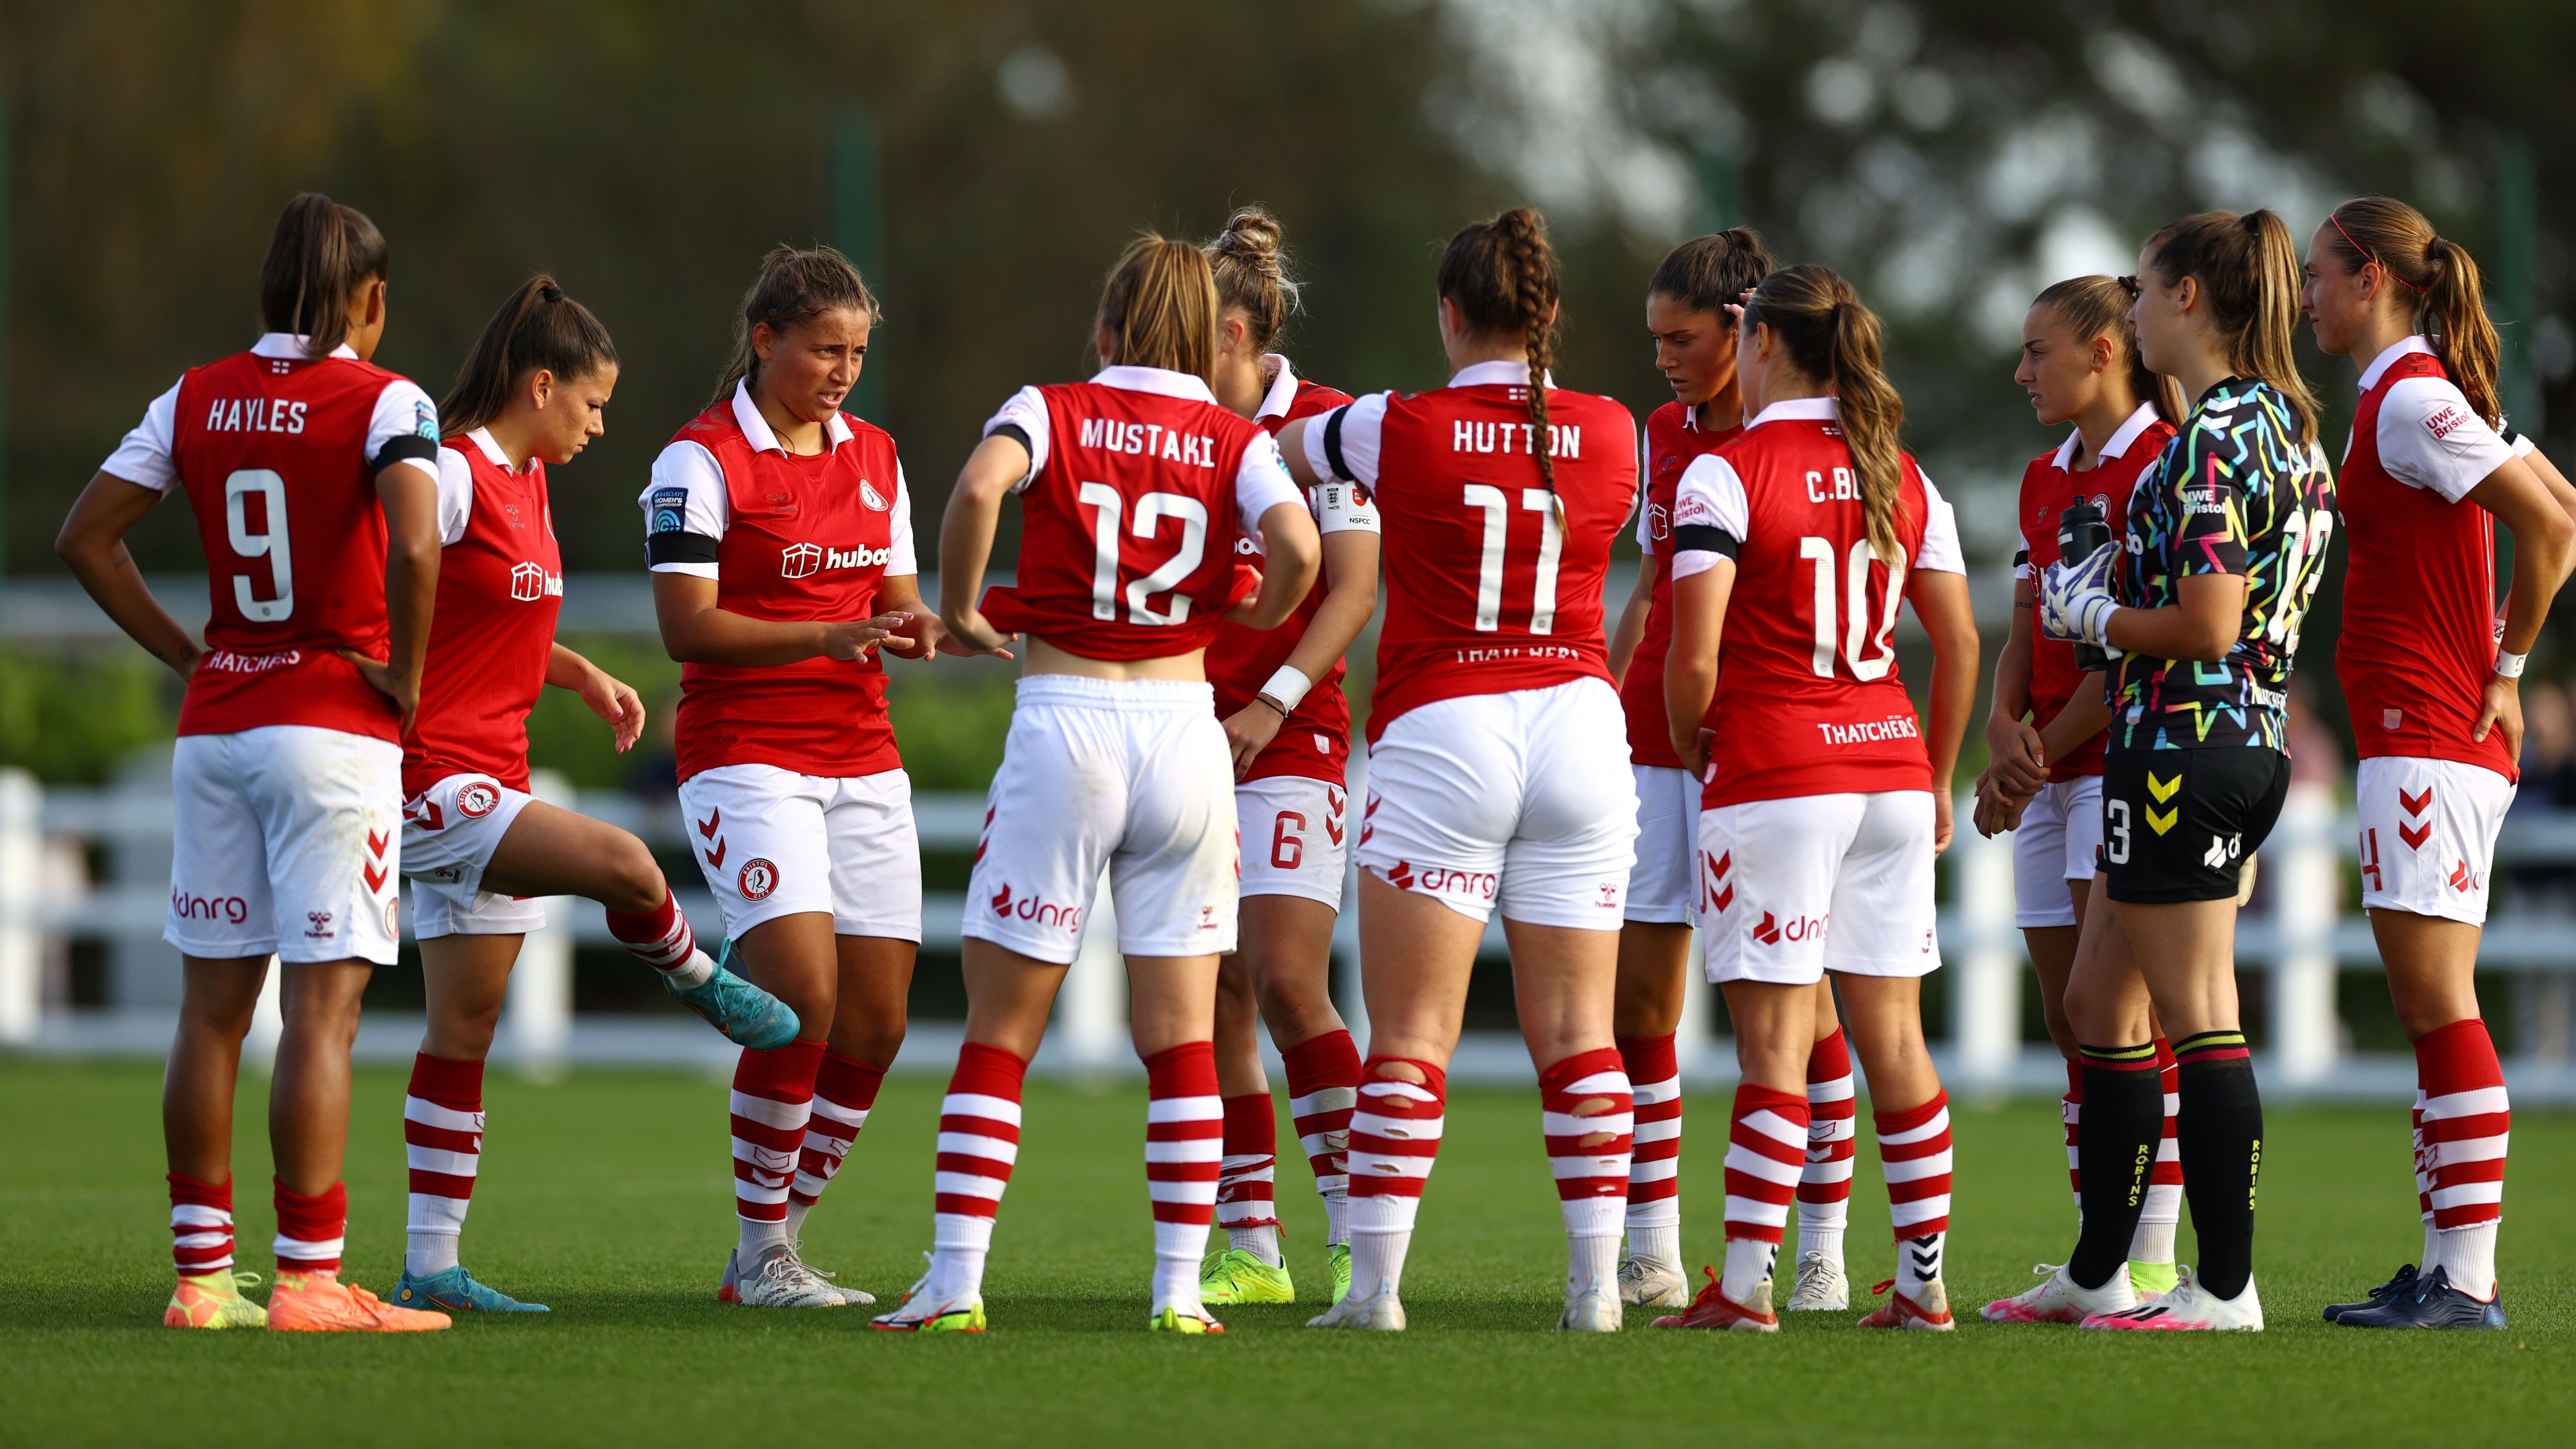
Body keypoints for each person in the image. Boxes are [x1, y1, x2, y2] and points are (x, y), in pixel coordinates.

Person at [871, 234, 1320, 1334]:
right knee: (1181, 1036)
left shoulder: (1055, 404)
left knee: (1002, 1027)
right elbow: (1300, 548)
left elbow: (982, 483)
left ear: (1111, 327)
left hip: (1068, 725)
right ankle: (1177, 1291)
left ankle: (956, 1284)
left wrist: (966, 605)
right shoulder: (1228, 431)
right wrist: (1252, 612)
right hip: (1186, 733)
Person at [55, 193, 451, 1331]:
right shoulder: (389, 398)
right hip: (331, 726)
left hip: (220, 722)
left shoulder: (194, 395)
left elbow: (86, 535)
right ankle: (312, 1281)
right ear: (371, 301)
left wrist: (191, 652)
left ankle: (198, 1280)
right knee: (322, 1016)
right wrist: (411, 673)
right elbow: (418, 539)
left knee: (212, 1013)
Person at [385, 277, 798, 1316]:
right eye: (593, 402)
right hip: (433, 776)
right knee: (625, 864)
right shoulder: (455, 471)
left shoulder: (527, 480)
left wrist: (578, 675)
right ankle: (705, 982)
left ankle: (431, 1264)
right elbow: (387, 579)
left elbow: (495, 616)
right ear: (539, 384)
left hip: (495, 767)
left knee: (465, 1029)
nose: (602, 424)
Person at [1276, 206, 1644, 1334]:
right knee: (1582, 1032)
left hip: (1449, 727)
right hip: (1582, 725)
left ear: (1449, 314)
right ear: (1549, 316)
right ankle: (1595, 1292)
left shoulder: (1392, 424)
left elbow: (1276, 448)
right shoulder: (1616, 427)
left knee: (1413, 1034)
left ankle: (1375, 1292)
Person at [1995, 209, 2339, 1332]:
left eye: (2143, 289)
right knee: (2100, 1002)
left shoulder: (2211, 437)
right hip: (2222, 734)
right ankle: (2102, 1268)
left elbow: (2206, 622)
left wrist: (2096, 611)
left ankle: (2226, 1286)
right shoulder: (2287, 427)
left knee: (2197, 1011)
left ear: (2189, 297)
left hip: (2187, 738)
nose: (2133, 310)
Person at [1651, 264, 1979, 1333]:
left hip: (1779, 773)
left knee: (1774, 1048)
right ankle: (1924, 1284)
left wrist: (1696, 739)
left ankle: (1744, 1289)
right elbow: (1961, 643)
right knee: (1896, 1041)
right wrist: (1934, 773)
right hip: (1887, 768)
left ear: (1764, 346)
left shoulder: (1726, 472)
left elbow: (1689, 659)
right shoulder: (1905, 474)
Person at [645, 245, 966, 1308]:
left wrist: (940, 630)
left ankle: (773, 1245)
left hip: (863, 756)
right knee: (801, 995)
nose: (843, 370)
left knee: (877, 1022)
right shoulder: (696, 461)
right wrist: (830, 633)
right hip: (744, 756)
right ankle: (765, 1250)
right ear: (766, 340)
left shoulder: (876, 453)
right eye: (825, 348)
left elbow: (898, 601)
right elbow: (686, 628)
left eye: (858, 351)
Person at [2302, 196, 2576, 1329]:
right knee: (2431, 1007)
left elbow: (2555, 530)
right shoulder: (2406, 392)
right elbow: (2558, 496)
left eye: (2320, 273)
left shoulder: (2412, 398)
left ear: (2371, 276)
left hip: (2430, 731)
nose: (2307, 294)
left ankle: (2465, 1280)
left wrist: (2508, 668)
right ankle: (2442, 1266)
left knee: (2437, 1004)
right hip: (2415, 730)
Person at [1970, 275, 2186, 1302]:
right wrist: (2004, 729)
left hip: (2124, 764)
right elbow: (2028, 627)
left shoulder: (2164, 465)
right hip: (2051, 766)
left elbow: (2138, 661)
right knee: (2068, 1019)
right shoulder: (2042, 476)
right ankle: (2094, 1257)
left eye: (2038, 352)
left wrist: (2037, 748)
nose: (2022, 372)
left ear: (2105, 351)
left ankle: (2144, 1254)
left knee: (2124, 1017)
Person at [1190, 208, 1380, 1311]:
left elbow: (1351, 589)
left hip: (1290, 734)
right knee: (1212, 983)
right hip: (1183, 735)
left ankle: (1361, 1228)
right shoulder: (1169, 418)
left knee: (1285, 977)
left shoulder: (1325, 426)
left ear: (1233, 330)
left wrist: (1272, 699)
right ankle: (1251, 1238)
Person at [1601, 229, 1780, 1312]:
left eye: (1683, 338)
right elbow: (1652, 581)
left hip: (1763, 734)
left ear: (1743, 329)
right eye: (1654, 339)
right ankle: (1652, 1244)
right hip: (1652, 733)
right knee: (1642, 1004)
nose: (1664, 358)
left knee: (1786, 1009)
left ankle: (1815, 1248)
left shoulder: (1801, 435)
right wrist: (1601, 687)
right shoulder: (1663, 434)